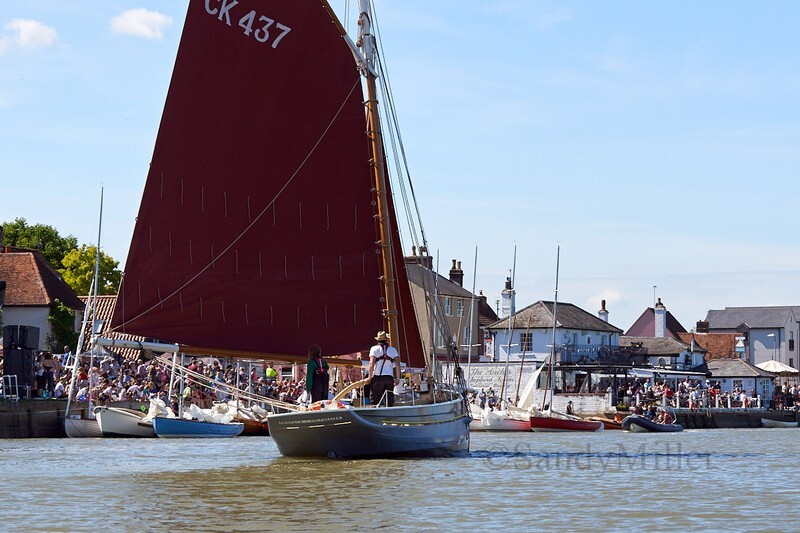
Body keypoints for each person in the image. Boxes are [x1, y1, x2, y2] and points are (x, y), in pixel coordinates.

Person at [368, 331, 400, 407]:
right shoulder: (393, 350)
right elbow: (398, 364)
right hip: (389, 378)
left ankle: (375, 415)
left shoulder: (374, 349)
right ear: (386, 340)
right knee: (389, 400)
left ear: (377, 340)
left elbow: (371, 364)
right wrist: (398, 378)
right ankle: (389, 415)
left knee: (375, 401)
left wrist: (369, 377)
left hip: (378, 377)